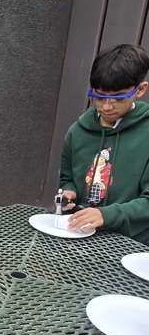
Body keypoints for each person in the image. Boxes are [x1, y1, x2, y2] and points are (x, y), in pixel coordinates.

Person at [60, 44, 149, 242]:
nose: (106, 106)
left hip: (132, 243)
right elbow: (68, 178)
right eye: (99, 96)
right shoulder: (77, 131)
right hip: (80, 235)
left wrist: (106, 215)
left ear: (141, 89)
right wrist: (68, 193)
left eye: (118, 98)